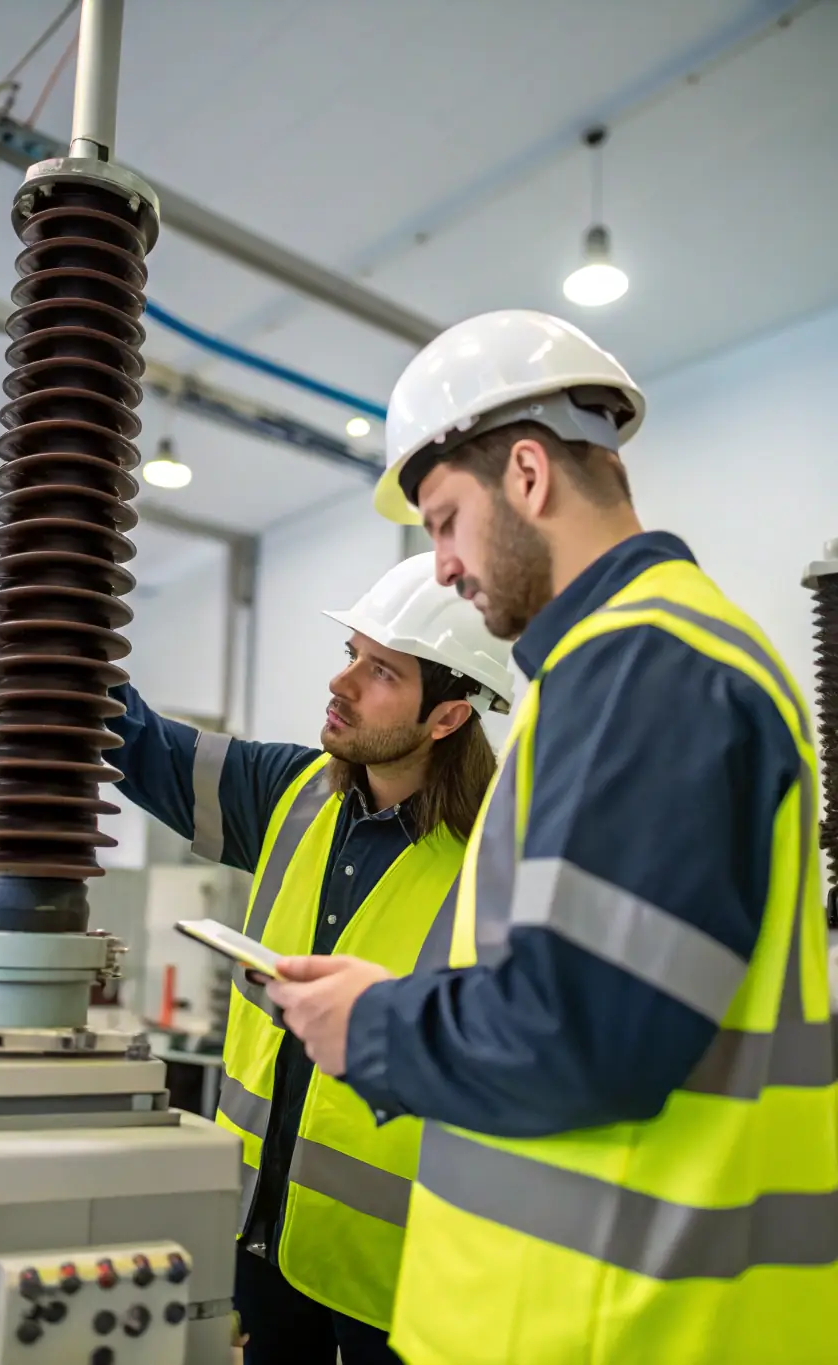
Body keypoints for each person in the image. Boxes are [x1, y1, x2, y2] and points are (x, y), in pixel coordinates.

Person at [266, 309, 838, 1365]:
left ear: (526, 475)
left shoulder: (651, 667)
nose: (439, 567)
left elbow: (588, 1035)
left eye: (443, 521)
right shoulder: (607, 676)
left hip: (622, 1328)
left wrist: (376, 1026)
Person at [107, 552, 514, 1365]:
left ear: (447, 716)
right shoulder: (289, 793)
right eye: (350, 655)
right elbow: (138, 743)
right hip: (257, 1239)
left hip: (393, 1275)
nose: (344, 683)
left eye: (382, 672)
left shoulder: (500, 865)